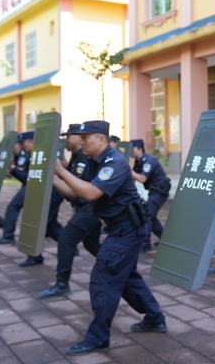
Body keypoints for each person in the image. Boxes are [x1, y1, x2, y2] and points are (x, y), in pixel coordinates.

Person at [54, 120, 166, 356]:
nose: (81, 141)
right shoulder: (95, 162)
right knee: (127, 278)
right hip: (120, 229)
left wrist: (62, 171)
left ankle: (97, 337)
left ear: (102, 139)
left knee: (103, 279)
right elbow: (76, 193)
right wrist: (53, 177)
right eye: (80, 137)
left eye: (86, 137)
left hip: (127, 229)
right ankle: (155, 318)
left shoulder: (113, 162)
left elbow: (91, 193)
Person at [39, 124, 102, 299]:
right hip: (86, 208)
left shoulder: (83, 157)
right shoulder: (76, 156)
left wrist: (55, 175)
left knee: (66, 239)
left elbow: (75, 189)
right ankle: (118, 266)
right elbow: (70, 188)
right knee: (92, 244)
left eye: (69, 136)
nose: (66, 140)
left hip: (90, 209)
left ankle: (62, 284)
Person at [0, 132, 64, 267]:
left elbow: (30, 178)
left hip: (52, 192)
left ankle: (36, 255)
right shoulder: (33, 155)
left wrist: (14, 169)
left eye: (23, 143)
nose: (21, 146)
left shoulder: (41, 155)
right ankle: (67, 245)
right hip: (43, 191)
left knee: (39, 222)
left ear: (31, 142)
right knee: (48, 223)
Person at [130, 138, 171, 252]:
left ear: (139, 149)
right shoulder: (138, 161)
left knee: (147, 215)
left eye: (132, 149)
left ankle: (145, 243)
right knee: (150, 215)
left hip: (160, 191)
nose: (130, 152)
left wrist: (128, 169)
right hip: (153, 191)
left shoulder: (149, 160)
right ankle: (164, 239)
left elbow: (142, 178)